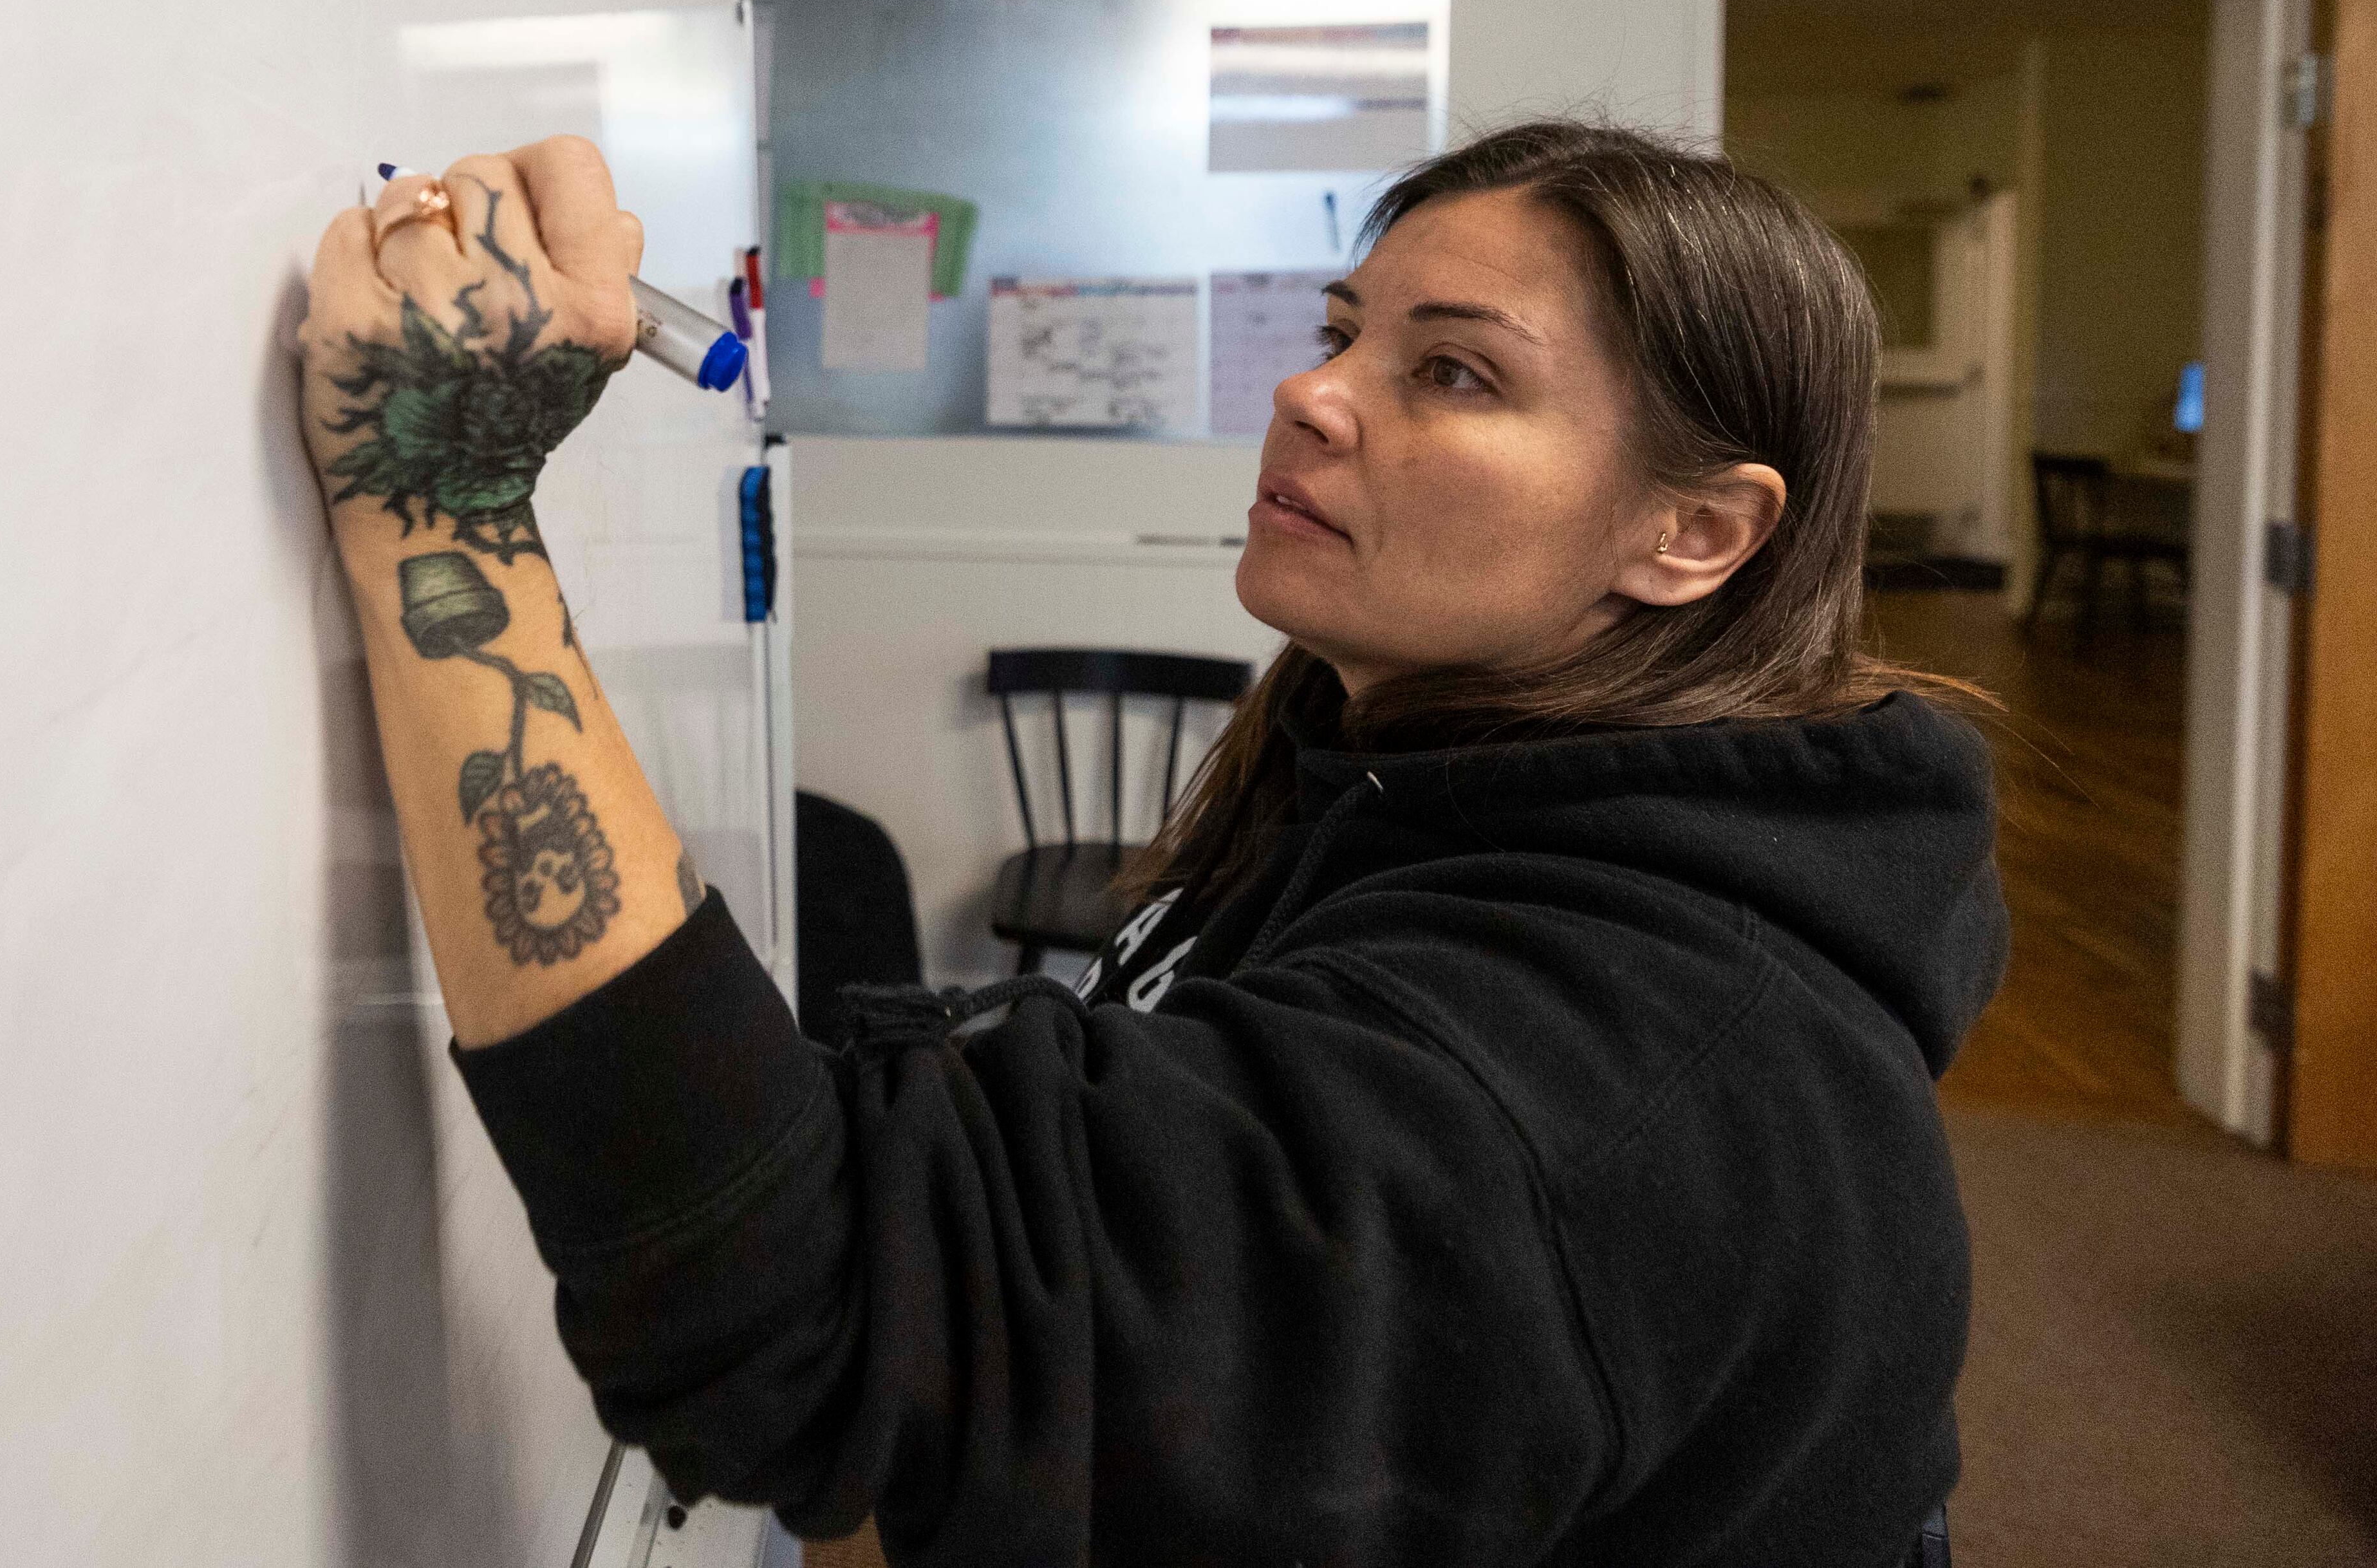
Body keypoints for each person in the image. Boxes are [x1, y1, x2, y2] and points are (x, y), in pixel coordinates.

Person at [295, 120, 2005, 1568]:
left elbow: (795, 1314)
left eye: (1454, 371)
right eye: (1342, 331)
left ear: (1694, 531)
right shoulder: (1395, 767)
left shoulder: (1603, 1072)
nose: (1313, 394)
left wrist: (439, 500)